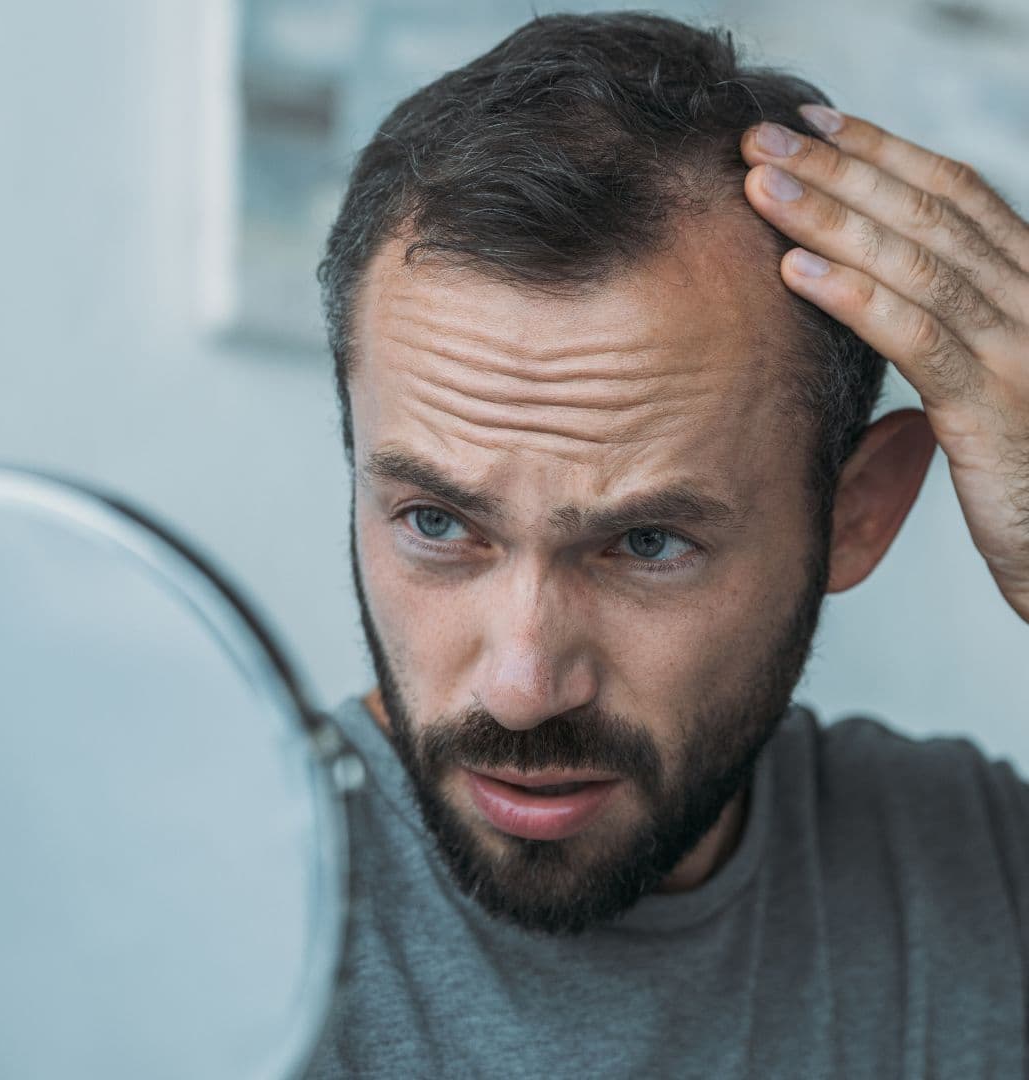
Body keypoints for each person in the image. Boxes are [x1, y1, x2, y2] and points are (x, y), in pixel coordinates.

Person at [306, 12, 1029, 1077]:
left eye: (646, 543)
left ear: (860, 512)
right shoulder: (186, 913)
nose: (523, 686)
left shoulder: (977, 878)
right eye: (437, 524)